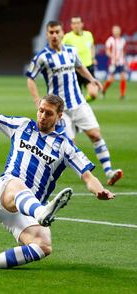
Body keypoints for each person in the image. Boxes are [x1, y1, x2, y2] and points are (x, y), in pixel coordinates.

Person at [0, 57, 115, 271]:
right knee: (18, 184)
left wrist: (99, 190)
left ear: (59, 116)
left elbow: (87, 176)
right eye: (41, 110)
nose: (42, 116)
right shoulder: (21, 125)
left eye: (48, 113)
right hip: (5, 190)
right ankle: (41, 213)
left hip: (25, 210)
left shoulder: (65, 145)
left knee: (43, 246)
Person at [26, 20, 123, 186]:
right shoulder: (42, 57)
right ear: (47, 34)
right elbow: (30, 78)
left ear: (63, 33)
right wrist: (37, 101)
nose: (55, 35)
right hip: (59, 110)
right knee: (68, 145)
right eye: (51, 32)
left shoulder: (71, 51)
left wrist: (92, 79)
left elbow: (80, 67)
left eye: (57, 31)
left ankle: (109, 171)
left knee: (95, 134)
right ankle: (70, 176)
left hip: (79, 103)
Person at [62, 16, 98, 101]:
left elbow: (92, 46)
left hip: (88, 67)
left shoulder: (88, 35)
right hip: (75, 70)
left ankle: (84, 103)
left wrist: (93, 57)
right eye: (74, 23)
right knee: (76, 96)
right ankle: (81, 105)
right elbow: (61, 49)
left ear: (82, 24)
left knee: (93, 94)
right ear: (71, 25)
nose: (76, 25)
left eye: (78, 23)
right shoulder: (67, 37)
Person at [102, 25, 128, 100]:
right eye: (115, 30)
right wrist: (112, 57)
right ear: (113, 31)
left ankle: (122, 95)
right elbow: (107, 51)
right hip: (113, 63)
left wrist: (124, 60)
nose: (116, 31)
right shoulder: (110, 40)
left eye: (117, 30)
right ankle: (103, 89)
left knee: (123, 77)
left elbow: (124, 52)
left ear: (120, 31)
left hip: (121, 63)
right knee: (111, 79)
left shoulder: (123, 40)